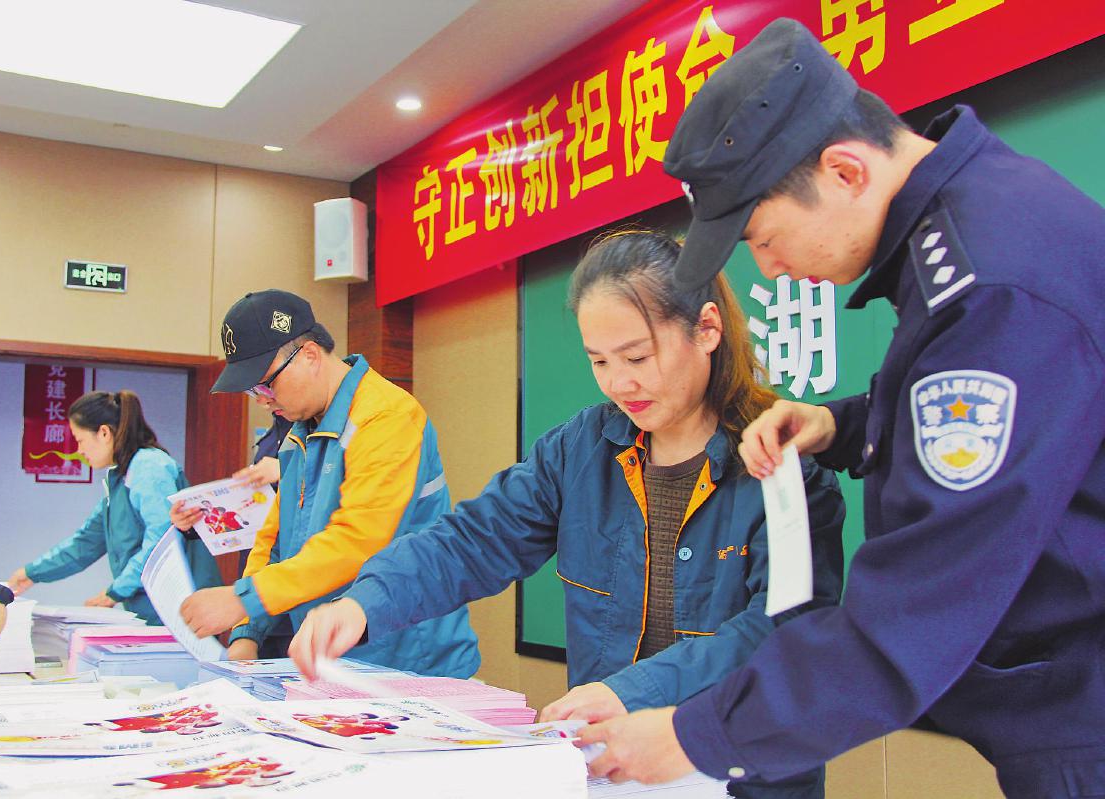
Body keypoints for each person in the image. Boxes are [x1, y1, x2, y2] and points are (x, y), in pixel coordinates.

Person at [574, 18, 1105, 799]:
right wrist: (844, 424)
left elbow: (919, 607)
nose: (769, 270)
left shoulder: (989, 287)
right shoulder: (982, 219)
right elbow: (1026, 424)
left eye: (762, 238)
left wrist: (696, 734)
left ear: (845, 171)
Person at [289, 232, 846, 799]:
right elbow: (475, 539)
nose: (619, 383)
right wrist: (366, 602)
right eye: (599, 361)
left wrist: (633, 691)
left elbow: (783, 628)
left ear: (706, 329)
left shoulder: (783, 464)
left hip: (744, 777)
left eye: (637, 357)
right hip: (614, 776)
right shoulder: (581, 449)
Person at [176, 289, 480, 678]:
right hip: (333, 659)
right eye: (253, 391)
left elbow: (358, 541)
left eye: (265, 385)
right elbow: (274, 541)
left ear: (309, 355)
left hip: (407, 659)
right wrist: (246, 634)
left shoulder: (386, 417)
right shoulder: (299, 433)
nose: (262, 401)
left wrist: (243, 599)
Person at [8, 391, 223, 624]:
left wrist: (115, 592)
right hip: (154, 611)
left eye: (80, 440)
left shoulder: (149, 467)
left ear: (104, 433)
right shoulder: (120, 477)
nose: (79, 450)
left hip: (183, 610)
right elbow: (86, 542)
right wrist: (32, 572)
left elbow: (161, 541)